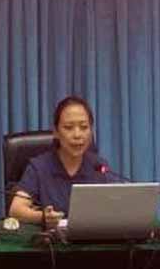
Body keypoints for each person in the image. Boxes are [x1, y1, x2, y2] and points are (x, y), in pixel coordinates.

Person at [9, 95, 116, 226]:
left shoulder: (99, 167)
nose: (77, 135)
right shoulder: (39, 167)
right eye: (69, 127)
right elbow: (16, 210)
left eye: (84, 127)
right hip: (52, 237)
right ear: (56, 132)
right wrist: (42, 217)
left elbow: (117, 205)